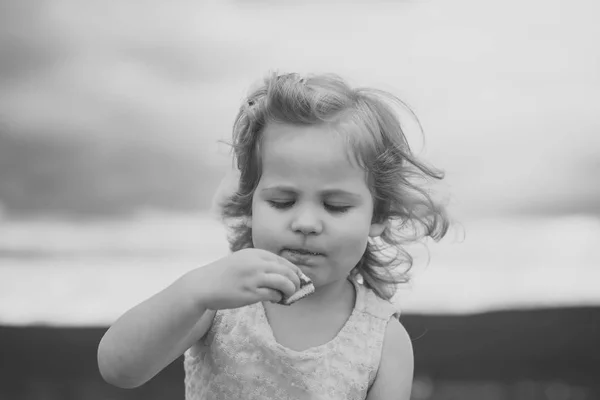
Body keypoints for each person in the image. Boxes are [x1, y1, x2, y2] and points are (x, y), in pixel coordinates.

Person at [97, 72, 449, 399]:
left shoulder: (384, 340)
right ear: (249, 205)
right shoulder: (219, 300)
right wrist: (193, 292)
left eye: (336, 205)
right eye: (283, 201)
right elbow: (119, 369)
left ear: (379, 216)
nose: (306, 222)